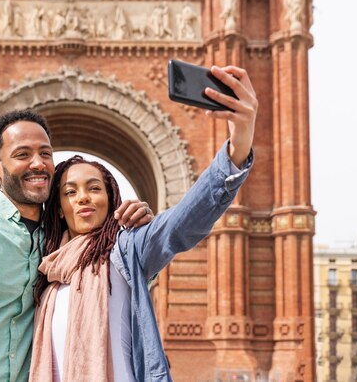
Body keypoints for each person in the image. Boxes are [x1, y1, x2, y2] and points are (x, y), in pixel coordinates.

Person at [29, 64, 257, 382]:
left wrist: (238, 147)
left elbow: (183, 222)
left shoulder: (128, 248)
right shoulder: (42, 268)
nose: (82, 197)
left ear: (110, 199)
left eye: (94, 188)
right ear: (58, 208)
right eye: (70, 192)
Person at [0, 110, 153, 382]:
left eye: (45, 154)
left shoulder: (59, 242)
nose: (38, 164)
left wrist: (140, 234)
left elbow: (114, 264)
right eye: (22, 154)